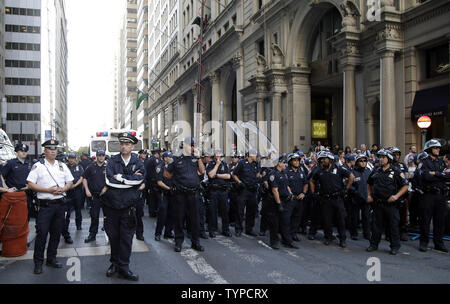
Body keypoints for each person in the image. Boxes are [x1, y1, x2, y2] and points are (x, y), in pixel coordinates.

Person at [102, 132, 145, 281]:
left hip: (128, 207)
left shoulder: (138, 162)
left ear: (132, 146)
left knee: (126, 239)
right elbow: (109, 180)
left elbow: (139, 180)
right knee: (114, 237)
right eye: (122, 144)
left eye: (127, 144)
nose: (124, 146)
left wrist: (120, 177)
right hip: (112, 206)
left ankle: (124, 267)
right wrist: (130, 180)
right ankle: (114, 264)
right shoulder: (113, 161)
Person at [27, 139, 74, 274]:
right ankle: (38, 262)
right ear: (45, 151)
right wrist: (48, 190)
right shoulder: (38, 166)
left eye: (55, 149)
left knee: (56, 234)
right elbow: (30, 184)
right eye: (50, 148)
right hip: (45, 206)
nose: (53, 151)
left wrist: (64, 188)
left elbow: (70, 181)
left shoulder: (62, 165)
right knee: (42, 234)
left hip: (60, 205)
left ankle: (51, 259)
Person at [164, 136, 206, 252]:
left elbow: (202, 171)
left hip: (193, 194)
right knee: (179, 219)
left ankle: (195, 242)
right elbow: (167, 174)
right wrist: (177, 180)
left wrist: (198, 158)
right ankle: (178, 242)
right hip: (180, 195)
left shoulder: (195, 158)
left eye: (193, 145)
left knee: (195, 220)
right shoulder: (176, 158)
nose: (193, 147)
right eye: (191, 145)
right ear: (185, 145)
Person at [366, 149, 409, 255]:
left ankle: (394, 246)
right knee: (376, 225)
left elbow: (405, 186)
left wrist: (396, 196)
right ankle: (374, 244)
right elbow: (369, 183)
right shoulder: (376, 170)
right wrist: (369, 195)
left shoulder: (396, 171)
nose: (381, 159)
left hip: (391, 204)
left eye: (383, 157)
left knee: (393, 226)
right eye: (380, 157)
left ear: (388, 159)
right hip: (378, 203)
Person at [310, 151, 354, 247]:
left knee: (341, 219)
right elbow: (312, 181)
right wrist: (313, 193)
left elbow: (351, 177)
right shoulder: (319, 171)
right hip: (325, 199)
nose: (323, 161)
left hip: (337, 198)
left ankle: (342, 239)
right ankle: (328, 237)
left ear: (330, 159)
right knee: (327, 220)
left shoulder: (339, 169)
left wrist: (346, 189)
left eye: (324, 159)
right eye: (321, 159)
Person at [417, 139, 449, 253]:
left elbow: (448, 175)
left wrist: (435, 173)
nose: (438, 149)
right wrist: (441, 174)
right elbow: (425, 176)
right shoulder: (424, 162)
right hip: (428, 195)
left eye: (439, 148)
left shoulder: (442, 162)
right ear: (430, 149)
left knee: (440, 220)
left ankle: (438, 243)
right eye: (436, 148)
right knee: (425, 220)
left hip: (440, 195)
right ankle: (423, 242)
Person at [267, 155, 298, 249]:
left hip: (286, 200)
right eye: (283, 163)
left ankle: (287, 241)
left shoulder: (284, 173)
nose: (285, 164)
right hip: (276, 201)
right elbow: (274, 190)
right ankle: (274, 242)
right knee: (275, 223)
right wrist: (279, 203)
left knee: (285, 222)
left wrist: (290, 193)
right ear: (279, 163)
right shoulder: (273, 174)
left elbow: (287, 185)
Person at [231, 148, 261, 237]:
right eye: (255, 155)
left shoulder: (256, 164)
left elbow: (258, 174)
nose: (257, 157)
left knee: (251, 211)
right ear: (251, 155)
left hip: (253, 190)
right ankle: (238, 229)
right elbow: (234, 174)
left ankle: (249, 229)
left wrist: (258, 177)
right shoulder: (242, 163)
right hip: (243, 190)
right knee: (240, 210)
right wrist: (239, 182)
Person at [1, 143, 32, 220]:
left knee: (26, 215)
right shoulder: (11, 163)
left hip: (27, 194)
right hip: (14, 194)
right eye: (21, 151)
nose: (23, 152)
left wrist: (30, 186)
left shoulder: (30, 164)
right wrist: (4, 186)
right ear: (16, 152)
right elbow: (1, 174)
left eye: (25, 151)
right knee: (13, 217)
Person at [82, 149, 107, 243]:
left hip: (106, 196)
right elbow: (84, 178)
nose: (101, 157)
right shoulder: (91, 167)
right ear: (96, 156)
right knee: (94, 216)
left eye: (102, 155)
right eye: (99, 155)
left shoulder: (108, 166)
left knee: (108, 216)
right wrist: (87, 190)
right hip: (95, 195)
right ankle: (92, 235)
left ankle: (109, 233)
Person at [206, 148, 232, 237]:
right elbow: (210, 175)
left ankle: (226, 230)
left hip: (223, 191)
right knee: (212, 211)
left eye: (219, 155)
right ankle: (212, 230)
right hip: (214, 191)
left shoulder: (225, 164)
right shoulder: (211, 164)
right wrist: (217, 165)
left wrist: (217, 175)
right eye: (216, 155)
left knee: (225, 211)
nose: (218, 156)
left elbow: (228, 176)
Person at [61, 153, 84, 244]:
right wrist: (68, 186)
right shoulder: (64, 167)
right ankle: (65, 227)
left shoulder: (79, 167)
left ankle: (79, 225)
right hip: (67, 192)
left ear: (75, 159)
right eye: (70, 158)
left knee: (78, 209)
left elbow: (81, 178)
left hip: (77, 190)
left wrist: (74, 185)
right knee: (67, 211)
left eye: (73, 158)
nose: (71, 160)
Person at [285, 153, 308, 242]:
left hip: (300, 198)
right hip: (290, 199)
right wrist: (291, 193)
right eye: (295, 160)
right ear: (290, 162)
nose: (297, 162)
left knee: (297, 217)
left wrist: (303, 193)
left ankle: (293, 233)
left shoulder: (301, 171)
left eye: (298, 160)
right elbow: (286, 184)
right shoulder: (286, 171)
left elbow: (305, 183)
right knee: (287, 217)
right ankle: (286, 236)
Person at [349, 154, 372, 240]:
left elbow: (371, 184)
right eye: (361, 161)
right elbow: (348, 184)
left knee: (366, 217)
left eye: (364, 161)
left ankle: (367, 234)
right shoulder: (352, 172)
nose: (363, 163)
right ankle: (354, 233)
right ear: (357, 162)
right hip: (356, 198)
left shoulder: (368, 172)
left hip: (366, 198)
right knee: (354, 217)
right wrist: (355, 192)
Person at [154, 151, 175, 241]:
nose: (171, 158)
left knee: (171, 215)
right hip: (164, 194)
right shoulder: (160, 167)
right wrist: (169, 188)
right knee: (162, 215)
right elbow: (159, 182)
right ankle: (158, 234)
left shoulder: (173, 167)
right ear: (165, 158)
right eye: (169, 157)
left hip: (172, 194)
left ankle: (168, 233)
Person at [390, 147, 409, 241]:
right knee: (391, 215)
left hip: (401, 193)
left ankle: (402, 231)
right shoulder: (388, 166)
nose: (396, 156)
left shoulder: (402, 165)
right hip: (391, 192)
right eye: (394, 154)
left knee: (402, 214)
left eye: (398, 155)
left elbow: (406, 177)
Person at [144, 148, 162, 217]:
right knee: (154, 198)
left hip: (150, 181)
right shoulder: (155, 160)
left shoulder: (149, 159)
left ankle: (152, 212)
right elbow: (157, 171)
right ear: (157, 153)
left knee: (152, 198)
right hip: (153, 181)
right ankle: (154, 212)